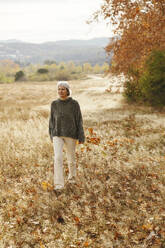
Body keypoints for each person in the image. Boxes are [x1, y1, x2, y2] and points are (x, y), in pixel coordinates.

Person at [49, 81, 85, 192]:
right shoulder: (54, 104)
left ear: (68, 90)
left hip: (71, 134)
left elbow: (79, 120)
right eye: (59, 89)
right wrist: (51, 134)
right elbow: (51, 121)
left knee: (71, 158)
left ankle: (72, 179)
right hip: (57, 134)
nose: (61, 91)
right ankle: (59, 185)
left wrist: (81, 135)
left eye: (63, 89)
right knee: (58, 158)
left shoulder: (74, 104)